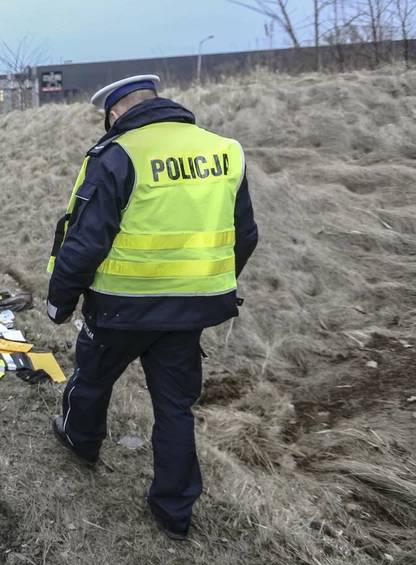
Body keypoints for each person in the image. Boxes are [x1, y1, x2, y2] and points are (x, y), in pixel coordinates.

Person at [45, 75, 259, 541]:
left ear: (115, 113)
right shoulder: (224, 151)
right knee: (175, 408)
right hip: (191, 310)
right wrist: (205, 283)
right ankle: (174, 511)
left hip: (122, 308)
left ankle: (81, 443)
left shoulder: (117, 154)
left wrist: (61, 300)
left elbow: (83, 241)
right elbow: (245, 235)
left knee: (93, 378)